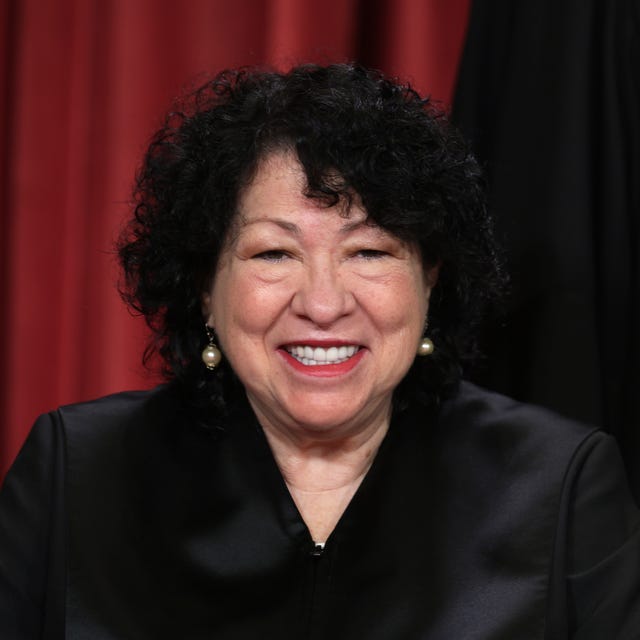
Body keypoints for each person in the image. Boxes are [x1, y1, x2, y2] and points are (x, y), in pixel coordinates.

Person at [0, 63, 638, 639]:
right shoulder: (74, 473)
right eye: (273, 253)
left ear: (430, 279)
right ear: (204, 286)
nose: (324, 304)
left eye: (369, 252)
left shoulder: (560, 488)